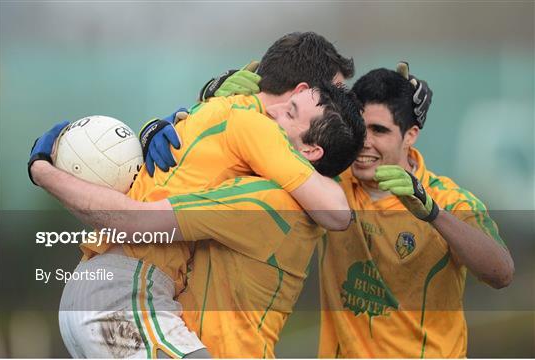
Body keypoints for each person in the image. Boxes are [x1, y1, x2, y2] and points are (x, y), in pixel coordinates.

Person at [29, 33, 365, 358]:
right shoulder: (258, 133)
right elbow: (335, 212)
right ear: (303, 90)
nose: (342, 101)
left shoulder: (210, 112)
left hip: (102, 285)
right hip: (129, 291)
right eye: (335, 91)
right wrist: (43, 171)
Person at [317, 65, 514, 358]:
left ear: (410, 135)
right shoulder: (328, 182)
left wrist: (433, 214)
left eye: (379, 130)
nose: (364, 142)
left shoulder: (448, 199)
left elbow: (501, 273)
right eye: (358, 127)